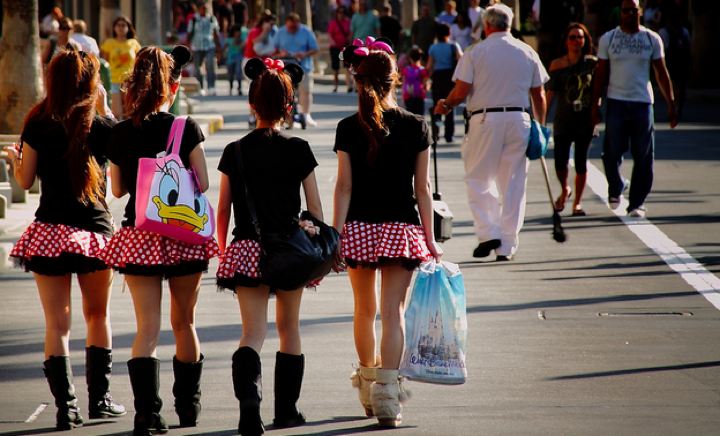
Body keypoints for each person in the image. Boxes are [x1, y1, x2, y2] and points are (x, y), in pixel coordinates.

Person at [99, 45, 220, 436]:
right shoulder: (185, 128)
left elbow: (116, 190)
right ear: (174, 83)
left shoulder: (119, 131)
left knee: (145, 329)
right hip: (182, 235)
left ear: (133, 84)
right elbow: (202, 182)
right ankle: (188, 408)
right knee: (184, 322)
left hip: (140, 235)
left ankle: (146, 414)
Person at [5, 48, 126, 431]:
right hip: (93, 231)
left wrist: (14, 162)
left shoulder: (37, 121)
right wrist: (106, 110)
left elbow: (25, 182)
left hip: (50, 232)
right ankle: (100, 400)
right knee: (98, 316)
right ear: (91, 82)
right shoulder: (102, 125)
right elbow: (119, 184)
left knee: (57, 325)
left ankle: (65, 408)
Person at [333, 42, 443, 427]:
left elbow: (344, 187)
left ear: (358, 80)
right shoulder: (416, 126)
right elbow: (423, 189)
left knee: (364, 310)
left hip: (359, 228)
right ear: (395, 79)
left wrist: (336, 232)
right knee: (393, 313)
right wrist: (430, 240)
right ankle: (387, 396)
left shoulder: (348, 127)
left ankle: (366, 383)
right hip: (400, 227)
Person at [216, 58, 322, 436]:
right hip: (290, 250)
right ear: (288, 107)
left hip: (247, 248)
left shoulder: (235, 150)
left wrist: (221, 246)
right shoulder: (299, 148)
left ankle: (249, 407)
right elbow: (314, 210)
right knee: (289, 327)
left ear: (251, 104)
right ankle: (287, 411)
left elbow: (224, 207)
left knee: (252, 333)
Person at [434, 3, 548, 261]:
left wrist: (446, 105)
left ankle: (488, 231)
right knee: (514, 184)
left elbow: (461, 91)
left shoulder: (476, 52)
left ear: (486, 25)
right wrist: (540, 125)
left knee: (478, 178)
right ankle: (506, 245)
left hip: (486, 119)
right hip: (520, 118)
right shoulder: (526, 50)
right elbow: (538, 94)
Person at [591, 0, 677, 218]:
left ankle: (636, 203)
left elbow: (661, 72)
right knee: (611, 152)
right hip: (616, 101)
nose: (629, 13)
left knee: (644, 155)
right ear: (620, 13)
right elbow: (600, 73)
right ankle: (616, 185)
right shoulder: (608, 39)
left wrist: (671, 104)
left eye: (633, 10)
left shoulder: (651, 38)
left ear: (639, 12)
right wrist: (595, 104)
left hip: (642, 103)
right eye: (625, 10)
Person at [545, 23, 598, 217]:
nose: (577, 41)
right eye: (573, 37)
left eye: (580, 37)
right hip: (563, 118)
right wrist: (541, 118)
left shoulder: (592, 63)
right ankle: (565, 188)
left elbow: (597, 90)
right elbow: (550, 94)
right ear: (566, 41)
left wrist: (596, 109)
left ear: (585, 41)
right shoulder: (557, 65)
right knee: (560, 160)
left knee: (581, 160)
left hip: (585, 118)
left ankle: (577, 202)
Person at [273, 13, 319, 127]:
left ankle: (306, 114)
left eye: (294, 27)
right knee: (285, 93)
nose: (292, 29)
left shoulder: (306, 31)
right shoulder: (281, 32)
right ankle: (286, 115)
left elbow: (314, 48)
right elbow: (274, 48)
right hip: (286, 67)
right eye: (290, 27)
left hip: (304, 66)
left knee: (306, 90)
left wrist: (304, 54)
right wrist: (281, 53)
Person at [101, 16, 141, 119]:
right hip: (114, 80)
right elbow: (106, 63)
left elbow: (138, 62)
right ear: (114, 28)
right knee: (116, 112)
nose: (120, 28)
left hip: (129, 80)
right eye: (118, 25)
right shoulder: (109, 43)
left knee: (128, 111)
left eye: (123, 25)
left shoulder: (133, 43)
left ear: (128, 28)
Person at [427, 23, 463, 143]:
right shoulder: (453, 45)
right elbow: (461, 60)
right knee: (449, 104)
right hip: (450, 77)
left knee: (437, 103)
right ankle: (449, 134)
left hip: (437, 77)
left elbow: (430, 66)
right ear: (449, 33)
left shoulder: (433, 48)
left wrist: (427, 79)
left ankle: (436, 130)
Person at [244, 11, 278, 128]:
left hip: (266, 63)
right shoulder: (255, 31)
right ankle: (252, 117)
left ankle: (265, 115)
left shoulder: (273, 33)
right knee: (255, 90)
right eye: (270, 24)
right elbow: (255, 42)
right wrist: (265, 31)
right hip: (253, 63)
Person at [658, 4, 691, 120]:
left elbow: (662, 49)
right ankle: (677, 106)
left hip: (671, 61)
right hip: (681, 61)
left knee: (674, 83)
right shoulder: (684, 32)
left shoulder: (664, 32)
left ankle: (673, 105)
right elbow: (687, 46)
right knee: (680, 85)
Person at [187, 2, 222, 96]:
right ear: (199, 8)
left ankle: (211, 86)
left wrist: (218, 46)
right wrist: (188, 46)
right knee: (198, 67)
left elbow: (216, 32)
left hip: (209, 45)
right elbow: (189, 33)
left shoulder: (211, 19)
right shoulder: (194, 19)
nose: (205, 10)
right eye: (203, 8)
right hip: (197, 45)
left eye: (206, 8)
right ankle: (200, 87)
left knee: (211, 65)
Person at [328, 5, 353, 92]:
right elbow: (330, 34)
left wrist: (349, 39)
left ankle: (349, 85)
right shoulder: (333, 23)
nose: (341, 14)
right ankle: (335, 85)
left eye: (343, 13)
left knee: (347, 66)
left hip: (345, 47)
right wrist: (332, 41)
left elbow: (351, 32)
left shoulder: (348, 22)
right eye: (339, 12)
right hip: (335, 47)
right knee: (335, 67)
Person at [401, 47, 429, 115]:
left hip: (408, 97)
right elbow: (425, 86)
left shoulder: (406, 70)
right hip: (419, 97)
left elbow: (404, 84)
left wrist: (403, 99)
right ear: (420, 58)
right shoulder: (423, 71)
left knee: (410, 117)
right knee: (419, 117)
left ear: (410, 58)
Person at [226, 23, 248, 95]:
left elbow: (242, 45)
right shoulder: (229, 39)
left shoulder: (241, 39)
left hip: (238, 57)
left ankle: (239, 88)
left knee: (238, 72)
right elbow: (226, 46)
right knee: (230, 73)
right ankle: (231, 87)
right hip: (230, 58)